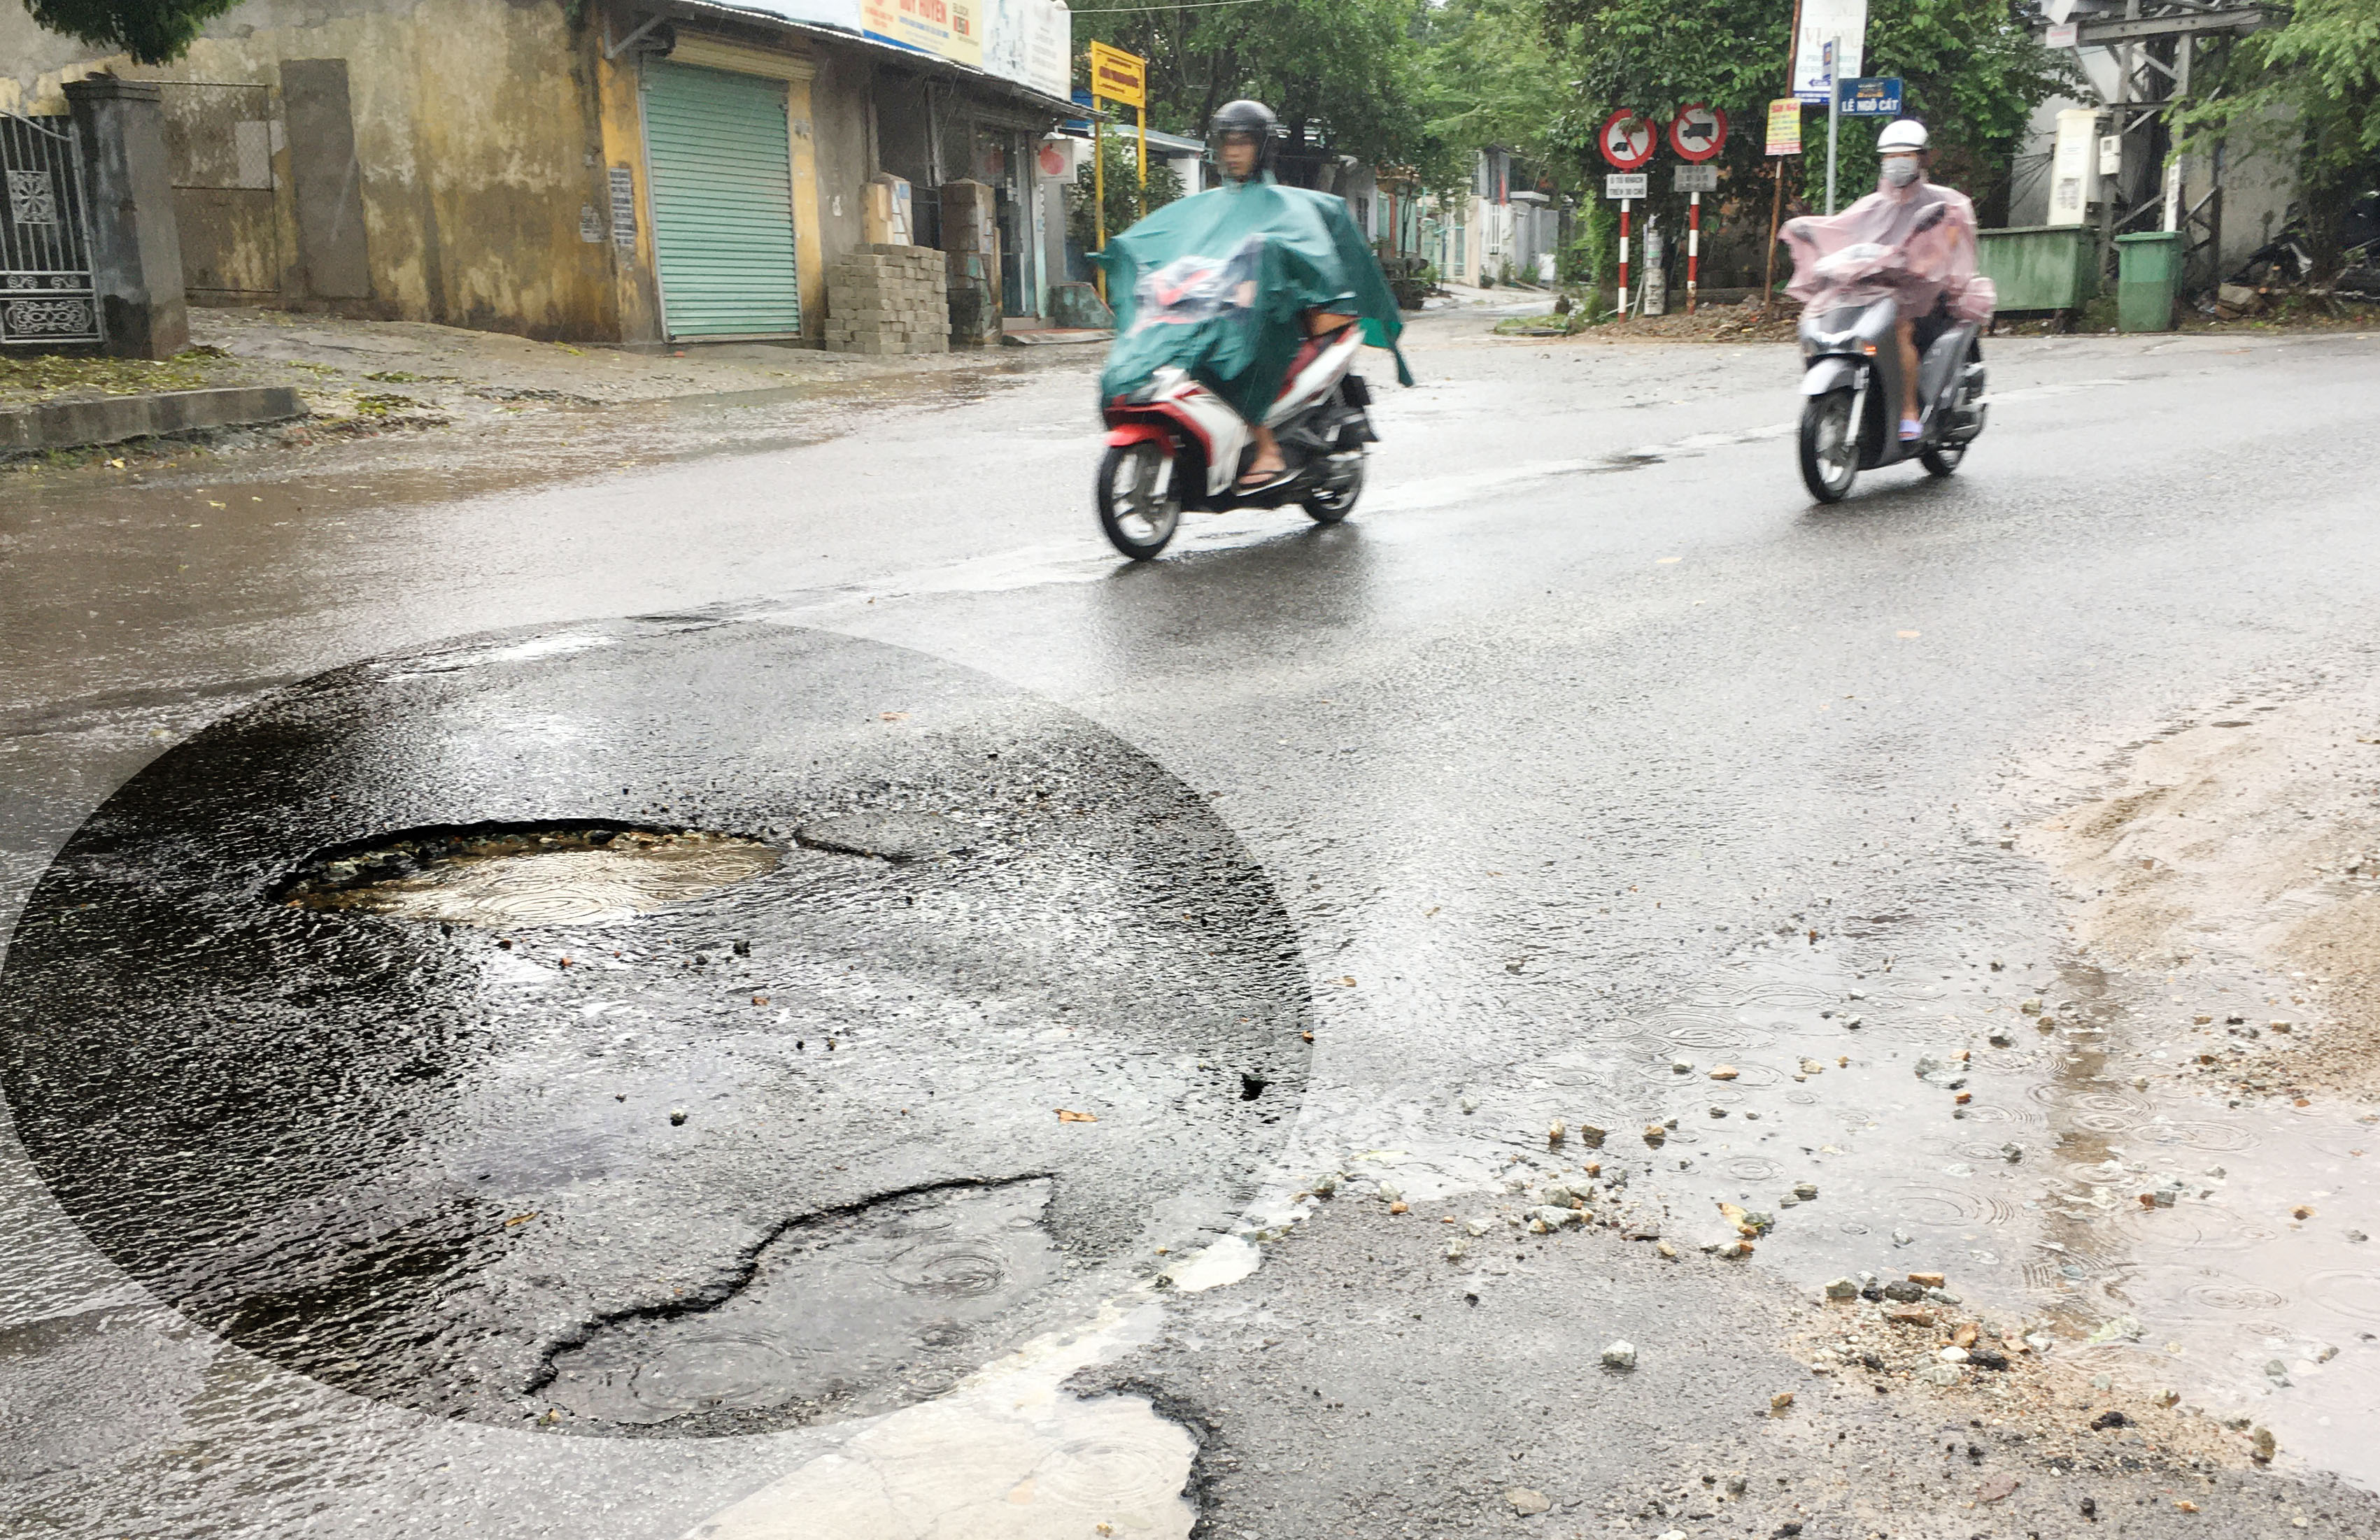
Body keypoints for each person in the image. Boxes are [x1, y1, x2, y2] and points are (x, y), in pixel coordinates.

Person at [1780, 119, 1989, 441]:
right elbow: (1842, 233)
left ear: (1924, 159)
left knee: (1900, 329)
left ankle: (1908, 411)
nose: (1896, 164)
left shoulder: (1944, 206)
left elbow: (1942, 255)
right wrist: (1820, 248)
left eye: (1905, 156)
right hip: (1877, 292)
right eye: (1889, 158)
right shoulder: (1871, 206)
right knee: (1821, 320)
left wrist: (1914, 263)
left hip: (1924, 296)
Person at [1206, 99, 1355, 487]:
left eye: (1243, 143)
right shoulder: (1210, 206)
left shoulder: (1282, 205)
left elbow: (1302, 257)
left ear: (1263, 148)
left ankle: (1268, 449)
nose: (1233, 152)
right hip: (1226, 309)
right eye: (1227, 142)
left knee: (1237, 365)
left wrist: (1264, 283)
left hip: (1276, 314)